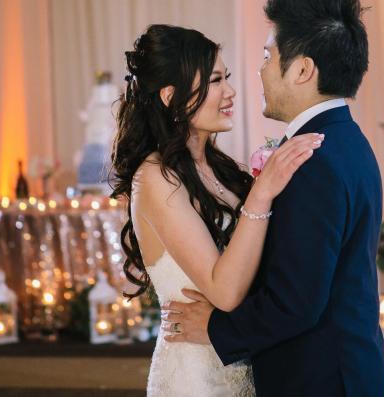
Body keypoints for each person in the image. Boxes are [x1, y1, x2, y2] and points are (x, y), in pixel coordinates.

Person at [163, 0, 384, 397]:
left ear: (302, 70)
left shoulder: (313, 160)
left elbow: (297, 301)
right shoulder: (343, 140)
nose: (260, 70)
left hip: (322, 382)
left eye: (268, 56)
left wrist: (216, 328)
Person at [110, 24, 322, 396]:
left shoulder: (223, 169)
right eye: (215, 81)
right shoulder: (155, 177)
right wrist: (261, 195)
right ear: (171, 96)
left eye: (227, 78)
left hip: (242, 362)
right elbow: (224, 291)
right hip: (195, 377)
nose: (231, 91)